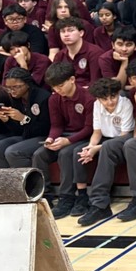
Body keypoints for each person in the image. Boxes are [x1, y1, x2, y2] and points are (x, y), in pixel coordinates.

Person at [33, 61, 95, 216]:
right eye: (54, 87)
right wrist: (51, 139)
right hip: (65, 136)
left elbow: (89, 128)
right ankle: (45, 194)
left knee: (66, 153)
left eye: (60, 86)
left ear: (72, 80)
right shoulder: (54, 99)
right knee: (39, 154)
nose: (57, 90)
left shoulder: (88, 97)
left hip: (85, 136)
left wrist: (68, 141)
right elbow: (56, 126)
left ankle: (66, 197)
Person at [75, 77, 136, 225]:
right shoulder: (97, 105)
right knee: (78, 150)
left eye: (113, 96)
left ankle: (99, 204)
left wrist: (96, 149)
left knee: (107, 147)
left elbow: (123, 135)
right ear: (98, 99)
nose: (110, 102)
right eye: (105, 99)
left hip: (125, 139)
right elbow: (97, 132)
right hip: (106, 140)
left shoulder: (125, 104)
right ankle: (80, 197)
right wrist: (90, 147)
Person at [0, 68, 51, 169]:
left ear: (27, 84)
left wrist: (24, 119)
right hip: (25, 135)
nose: (12, 91)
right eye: (8, 88)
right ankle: (6, 181)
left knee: (12, 152)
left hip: (44, 137)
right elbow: (18, 131)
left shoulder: (43, 97)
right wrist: (7, 121)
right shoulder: (16, 99)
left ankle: (27, 182)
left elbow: (45, 129)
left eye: (16, 87)